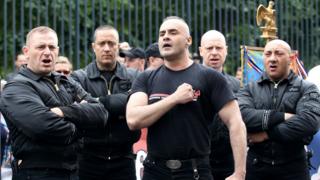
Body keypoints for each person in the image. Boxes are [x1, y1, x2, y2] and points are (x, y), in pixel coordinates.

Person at [126, 16, 247, 180]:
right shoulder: (146, 78)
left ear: (188, 40)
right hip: (155, 171)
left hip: (195, 171)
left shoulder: (210, 77)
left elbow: (236, 123)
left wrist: (240, 173)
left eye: (173, 32)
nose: (166, 37)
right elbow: (133, 120)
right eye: (162, 34)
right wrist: (173, 98)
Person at [0, 26, 108, 180]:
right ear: (26, 51)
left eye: (51, 47)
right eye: (40, 47)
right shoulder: (16, 88)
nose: (47, 52)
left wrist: (64, 112)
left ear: (57, 50)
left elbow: (101, 113)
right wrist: (84, 122)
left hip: (72, 171)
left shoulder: (66, 81)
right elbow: (45, 127)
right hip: (36, 174)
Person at [237, 39, 320, 180]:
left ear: (291, 58)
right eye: (268, 54)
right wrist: (282, 116)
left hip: (294, 170)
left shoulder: (307, 88)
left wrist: (267, 134)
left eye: (279, 53)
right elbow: (241, 117)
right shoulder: (249, 89)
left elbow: (309, 122)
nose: (272, 58)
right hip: (257, 168)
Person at [71, 25, 140, 180]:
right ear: (93, 47)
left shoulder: (134, 76)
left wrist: (94, 105)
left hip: (125, 159)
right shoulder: (78, 78)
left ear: (118, 46)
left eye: (111, 43)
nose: (107, 48)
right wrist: (122, 105)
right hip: (88, 160)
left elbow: (138, 106)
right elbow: (79, 113)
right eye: (102, 44)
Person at [199, 30, 240, 180]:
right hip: (198, 160)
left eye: (219, 48)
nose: (214, 53)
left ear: (226, 51)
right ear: (201, 51)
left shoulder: (236, 85)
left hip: (228, 161)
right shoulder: (189, 81)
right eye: (209, 48)